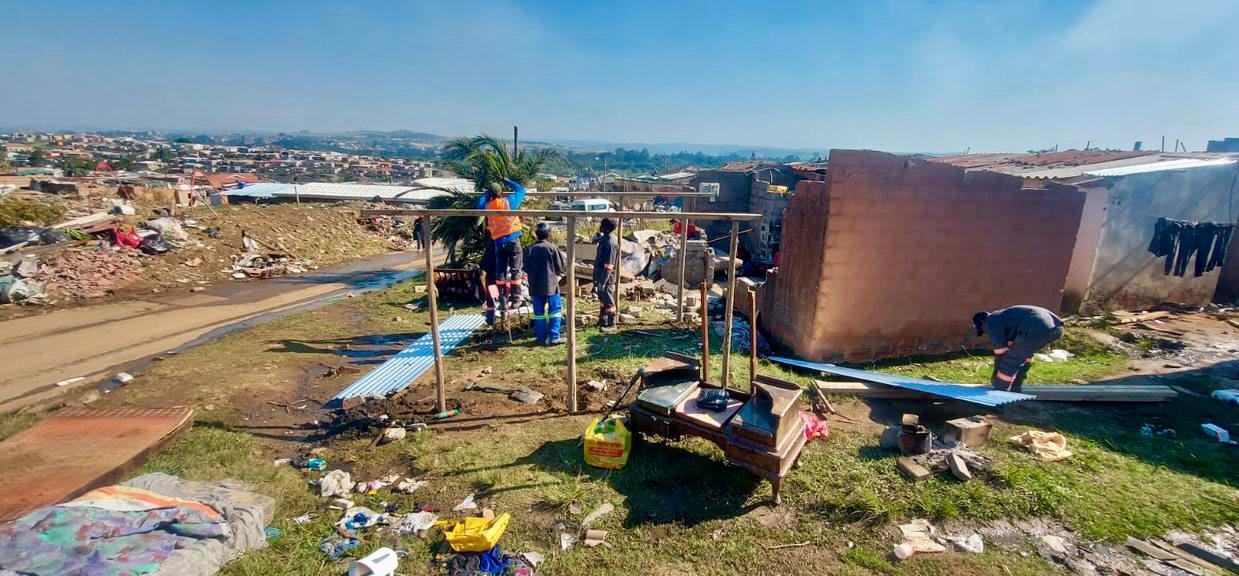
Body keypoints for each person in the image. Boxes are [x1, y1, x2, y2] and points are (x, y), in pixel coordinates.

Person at [973, 305, 1065, 392]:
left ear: (982, 323)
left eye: (983, 330)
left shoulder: (991, 321)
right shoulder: (1006, 317)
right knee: (1025, 355)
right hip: (1057, 328)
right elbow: (1014, 346)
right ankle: (1015, 386)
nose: (987, 333)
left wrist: (996, 377)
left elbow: (1001, 352)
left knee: (1011, 360)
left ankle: (1001, 389)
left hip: (1035, 327)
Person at [477, 177, 528, 307]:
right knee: (516, 270)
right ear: (501, 192)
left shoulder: (487, 206)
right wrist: (507, 181)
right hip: (513, 239)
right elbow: (521, 190)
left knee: (500, 273)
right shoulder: (509, 202)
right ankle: (516, 298)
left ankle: (502, 300)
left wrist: (488, 193)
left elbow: (480, 203)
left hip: (499, 243)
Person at [525, 223, 565, 345]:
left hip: (535, 286)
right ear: (548, 234)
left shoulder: (529, 249)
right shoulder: (552, 248)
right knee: (555, 311)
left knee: (538, 313)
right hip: (551, 286)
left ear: (536, 234)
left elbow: (525, 267)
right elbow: (560, 267)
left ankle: (541, 337)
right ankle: (554, 337)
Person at [593, 218, 619, 327]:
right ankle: (602, 320)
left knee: (608, 300)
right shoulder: (606, 239)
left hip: (607, 278)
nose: (600, 227)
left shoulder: (610, 243)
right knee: (603, 299)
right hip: (601, 275)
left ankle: (612, 324)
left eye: (602, 226)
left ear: (607, 228)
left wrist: (603, 281)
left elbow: (609, 266)